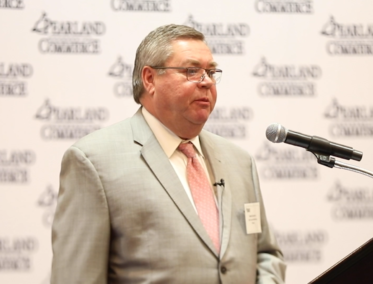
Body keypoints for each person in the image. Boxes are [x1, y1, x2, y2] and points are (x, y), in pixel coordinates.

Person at [51, 24, 286, 284]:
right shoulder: (93, 162)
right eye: (191, 71)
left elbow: (265, 253)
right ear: (150, 79)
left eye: (210, 71)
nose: (206, 81)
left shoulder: (239, 161)